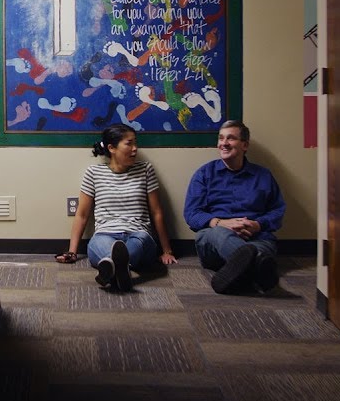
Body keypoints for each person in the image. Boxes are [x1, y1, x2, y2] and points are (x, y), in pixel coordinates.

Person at [55, 123, 178, 290]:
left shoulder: (145, 170)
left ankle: (112, 269)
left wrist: (167, 250)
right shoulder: (93, 173)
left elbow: (157, 212)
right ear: (112, 148)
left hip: (139, 234)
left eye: (136, 143)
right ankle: (120, 271)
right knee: (99, 244)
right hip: (105, 234)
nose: (135, 149)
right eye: (129, 143)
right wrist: (72, 251)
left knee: (137, 243)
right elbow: (82, 215)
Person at [183, 120, 286, 294]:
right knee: (221, 235)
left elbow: (277, 211)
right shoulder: (204, 174)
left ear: (245, 145)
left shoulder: (263, 175)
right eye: (221, 138)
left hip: (255, 237)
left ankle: (240, 273)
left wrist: (257, 225)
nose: (223, 143)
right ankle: (257, 268)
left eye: (230, 138)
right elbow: (191, 213)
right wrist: (222, 224)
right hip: (214, 240)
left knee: (260, 248)